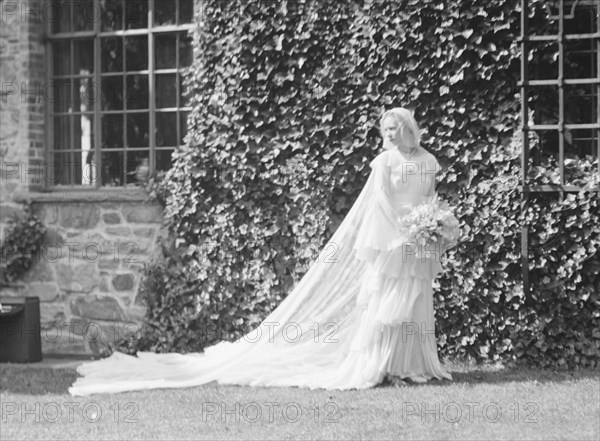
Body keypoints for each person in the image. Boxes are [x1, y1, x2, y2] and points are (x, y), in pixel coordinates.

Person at [69, 107, 456, 396]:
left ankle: (414, 365)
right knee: (388, 306)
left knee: (416, 301)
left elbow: (428, 196)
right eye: (384, 129)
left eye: (394, 128)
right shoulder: (384, 162)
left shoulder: (428, 161)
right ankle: (387, 366)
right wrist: (402, 233)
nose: (388, 134)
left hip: (417, 239)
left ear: (408, 128)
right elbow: (382, 202)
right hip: (391, 240)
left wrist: (429, 224)